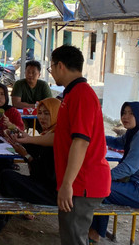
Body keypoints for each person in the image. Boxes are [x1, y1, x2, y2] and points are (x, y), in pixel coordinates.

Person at [0, 97, 61, 243]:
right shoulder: (48, 134)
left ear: (57, 113)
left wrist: (26, 155)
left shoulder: (57, 138)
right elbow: (34, 148)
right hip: (45, 186)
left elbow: (45, 175)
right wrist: (18, 139)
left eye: (47, 113)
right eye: (40, 112)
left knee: (7, 178)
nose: (41, 117)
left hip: (52, 192)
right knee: (7, 181)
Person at [49, 45, 111, 245]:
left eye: (51, 66)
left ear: (60, 66)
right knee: (70, 235)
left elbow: (81, 142)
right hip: (76, 182)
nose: (50, 71)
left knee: (74, 238)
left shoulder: (81, 95)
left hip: (82, 183)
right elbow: (63, 138)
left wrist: (67, 184)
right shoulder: (71, 94)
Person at [88, 102, 139, 243]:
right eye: (124, 112)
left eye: (131, 113)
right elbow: (117, 142)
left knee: (101, 188)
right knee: (100, 186)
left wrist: (103, 177)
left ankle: (95, 234)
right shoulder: (136, 132)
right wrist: (93, 137)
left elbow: (128, 168)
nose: (126, 117)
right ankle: (94, 231)